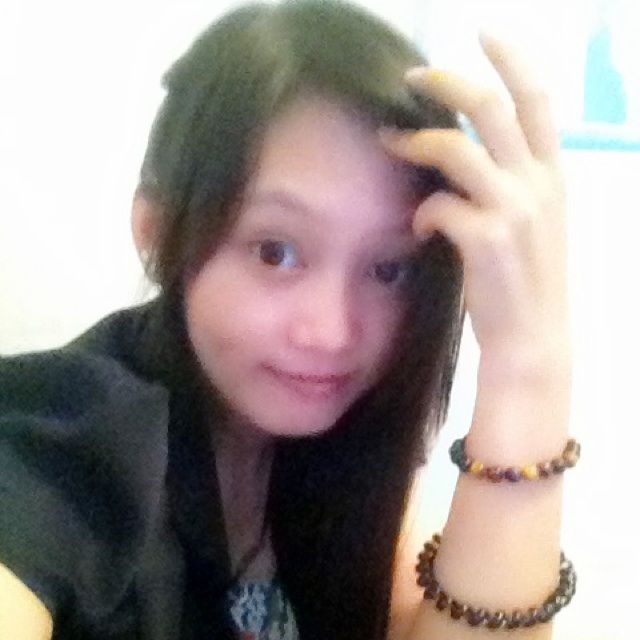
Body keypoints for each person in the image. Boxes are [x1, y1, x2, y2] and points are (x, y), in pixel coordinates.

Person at [0, 1, 577, 639]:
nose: (332, 333)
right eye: (275, 251)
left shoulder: (347, 450)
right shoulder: (57, 447)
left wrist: (528, 366)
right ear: (157, 235)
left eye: (388, 269)